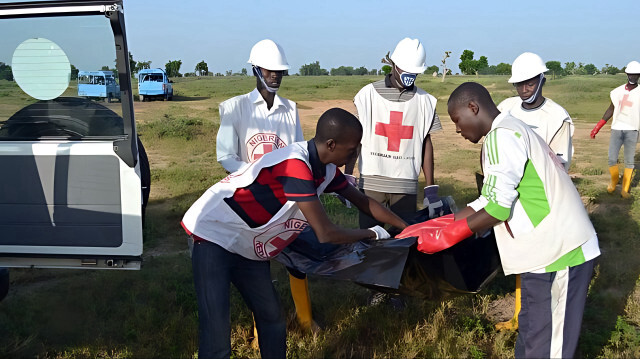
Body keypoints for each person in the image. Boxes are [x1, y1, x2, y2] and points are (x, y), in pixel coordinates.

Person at [185, 108, 408, 359]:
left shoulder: (326, 170)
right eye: (353, 147)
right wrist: (371, 233)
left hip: (248, 242)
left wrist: (406, 227)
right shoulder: (295, 165)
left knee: (271, 318)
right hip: (213, 234)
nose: (355, 153)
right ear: (332, 145)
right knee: (216, 334)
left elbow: (364, 202)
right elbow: (325, 233)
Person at [399, 82, 599, 358]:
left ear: (473, 107)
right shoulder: (508, 130)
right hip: (543, 254)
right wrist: (439, 223)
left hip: (562, 253)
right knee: (532, 333)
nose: (457, 129)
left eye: (457, 120)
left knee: (550, 346)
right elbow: (488, 199)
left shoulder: (502, 136)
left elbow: (498, 209)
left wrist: (448, 236)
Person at [215, 39, 316, 333]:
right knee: (257, 264)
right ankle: (262, 330)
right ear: (256, 70)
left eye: (279, 72)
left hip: (286, 199)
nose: (275, 77)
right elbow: (226, 155)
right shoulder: (235, 108)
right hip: (252, 200)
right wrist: (255, 175)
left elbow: (297, 150)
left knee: (297, 258)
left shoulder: (290, 109)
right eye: (269, 71)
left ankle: (306, 319)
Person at [495, 52, 575, 331]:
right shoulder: (506, 109)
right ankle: (519, 314)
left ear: (542, 80)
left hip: (543, 197)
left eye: (530, 83)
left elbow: (561, 163)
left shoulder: (557, 116)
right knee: (519, 250)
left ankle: (538, 315)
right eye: (519, 84)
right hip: (512, 195)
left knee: (542, 258)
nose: (524, 89)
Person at [346, 37, 443, 229]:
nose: (410, 76)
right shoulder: (368, 95)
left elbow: (426, 144)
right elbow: (356, 138)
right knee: (368, 241)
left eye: (415, 72)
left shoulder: (425, 101)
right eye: (406, 70)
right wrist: (347, 175)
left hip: (405, 185)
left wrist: (430, 188)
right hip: (372, 184)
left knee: (404, 240)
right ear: (393, 64)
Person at [590, 60, 640, 198]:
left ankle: (625, 189)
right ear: (627, 74)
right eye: (631, 74)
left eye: (636, 74)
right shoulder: (617, 92)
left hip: (632, 130)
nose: (633, 77)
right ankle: (613, 181)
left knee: (629, 160)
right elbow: (611, 109)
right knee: (612, 158)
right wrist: (597, 127)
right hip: (617, 128)